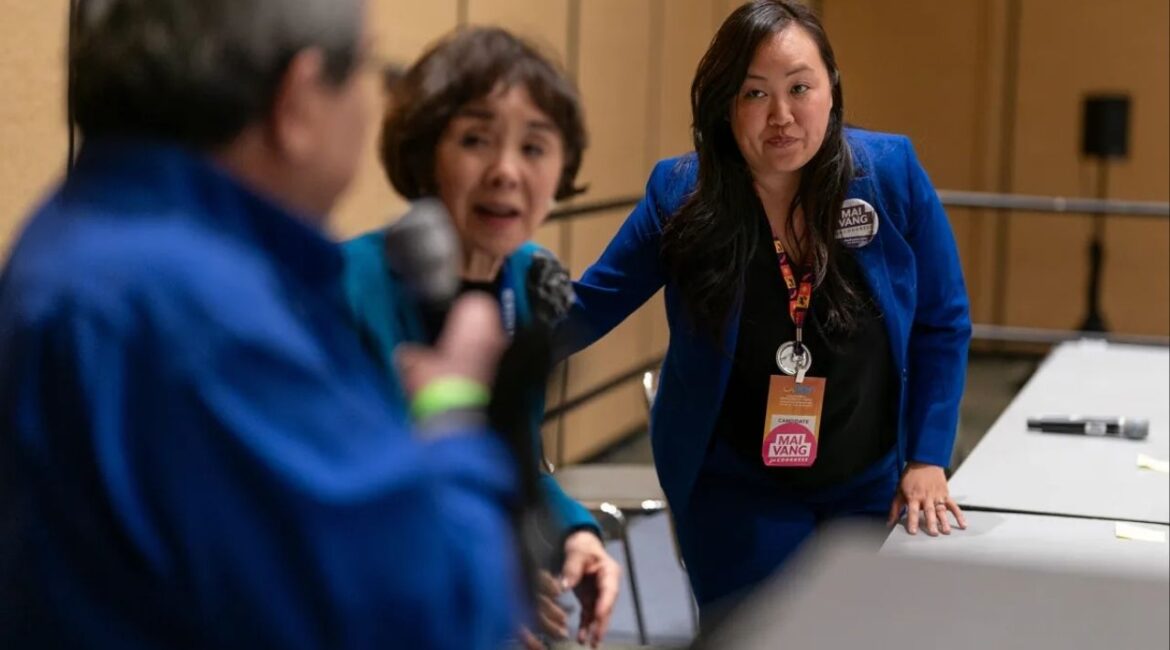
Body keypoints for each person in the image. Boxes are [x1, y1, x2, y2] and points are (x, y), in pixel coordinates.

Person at [0, 2, 525, 648]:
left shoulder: (86, 239)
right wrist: (455, 406)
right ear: (299, 101)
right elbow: (430, 617)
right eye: (367, 69)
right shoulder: (198, 317)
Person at [556, 0, 971, 624]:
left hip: (871, 477)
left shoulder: (888, 176)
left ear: (831, 89)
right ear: (724, 106)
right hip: (734, 488)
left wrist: (928, 459)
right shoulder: (682, 196)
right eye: (754, 94)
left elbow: (943, 321)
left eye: (800, 87)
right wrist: (477, 332)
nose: (781, 116)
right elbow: (589, 307)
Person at [341, 27, 621, 649]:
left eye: (535, 147)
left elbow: (509, 458)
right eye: (475, 141)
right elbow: (353, 501)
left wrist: (575, 534)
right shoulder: (350, 286)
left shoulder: (526, 282)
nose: (506, 172)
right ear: (423, 153)